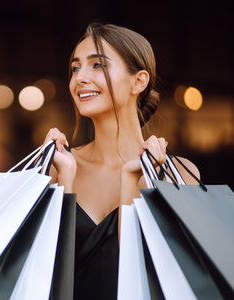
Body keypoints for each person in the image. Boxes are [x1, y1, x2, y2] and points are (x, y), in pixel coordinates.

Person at [43, 23, 200, 299]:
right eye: (75, 68)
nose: (80, 78)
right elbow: (44, 274)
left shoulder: (178, 175)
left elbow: (154, 279)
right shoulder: (58, 168)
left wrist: (132, 183)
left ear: (139, 81)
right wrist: (63, 182)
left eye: (97, 65)